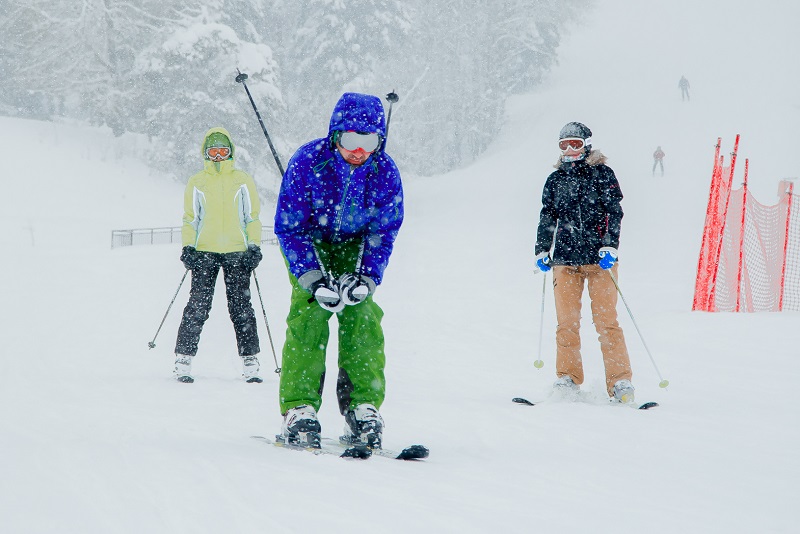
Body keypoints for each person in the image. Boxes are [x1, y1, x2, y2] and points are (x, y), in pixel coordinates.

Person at [273, 92, 404, 448]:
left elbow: (383, 230)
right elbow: (289, 227)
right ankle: (299, 408)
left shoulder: (385, 171)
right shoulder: (308, 162)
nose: (359, 151)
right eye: (351, 140)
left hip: (356, 246)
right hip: (311, 241)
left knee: (361, 315)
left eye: (370, 141)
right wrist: (313, 279)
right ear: (335, 135)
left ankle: (362, 406)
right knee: (310, 314)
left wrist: (367, 277)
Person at [534, 122, 635, 404]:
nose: (569, 150)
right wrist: (543, 249)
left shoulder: (602, 174)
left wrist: (609, 245)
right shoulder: (555, 180)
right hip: (565, 261)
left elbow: (614, 211)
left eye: (574, 144)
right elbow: (548, 216)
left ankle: (619, 381)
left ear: (587, 144)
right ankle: (567, 377)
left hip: (599, 261)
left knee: (606, 322)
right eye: (563, 145)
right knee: (566, 322)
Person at [173, 127, 264, 384]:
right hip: (205, 252)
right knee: (198, 305)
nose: (218, 157)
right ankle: (183, 358)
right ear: (205, 153)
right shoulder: (197, 181)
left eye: (223, 151)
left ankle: (250, 361)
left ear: (231, 152)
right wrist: (188, 247)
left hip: (237, 252)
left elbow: (252, 216)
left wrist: (254, 246)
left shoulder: (242, 180)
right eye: (213, 152)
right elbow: (190, 218)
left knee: (241, 307)